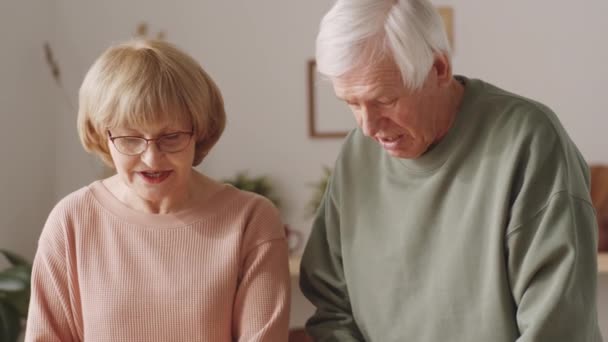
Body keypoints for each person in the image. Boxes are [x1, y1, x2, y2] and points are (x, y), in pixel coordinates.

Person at [299, 0, 603, 341]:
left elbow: (558, 324)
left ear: (439, 68)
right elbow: (331, 307)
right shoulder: (357, 154)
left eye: (384, 100)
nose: (369, 127)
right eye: (351, 103)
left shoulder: (528, 142)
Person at [25, 39, 290, 342]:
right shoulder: (71, 220)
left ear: (200, 130)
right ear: (102, 135)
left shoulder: (250, 220)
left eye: (172, 136)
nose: (151, 158)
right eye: (130, 138)